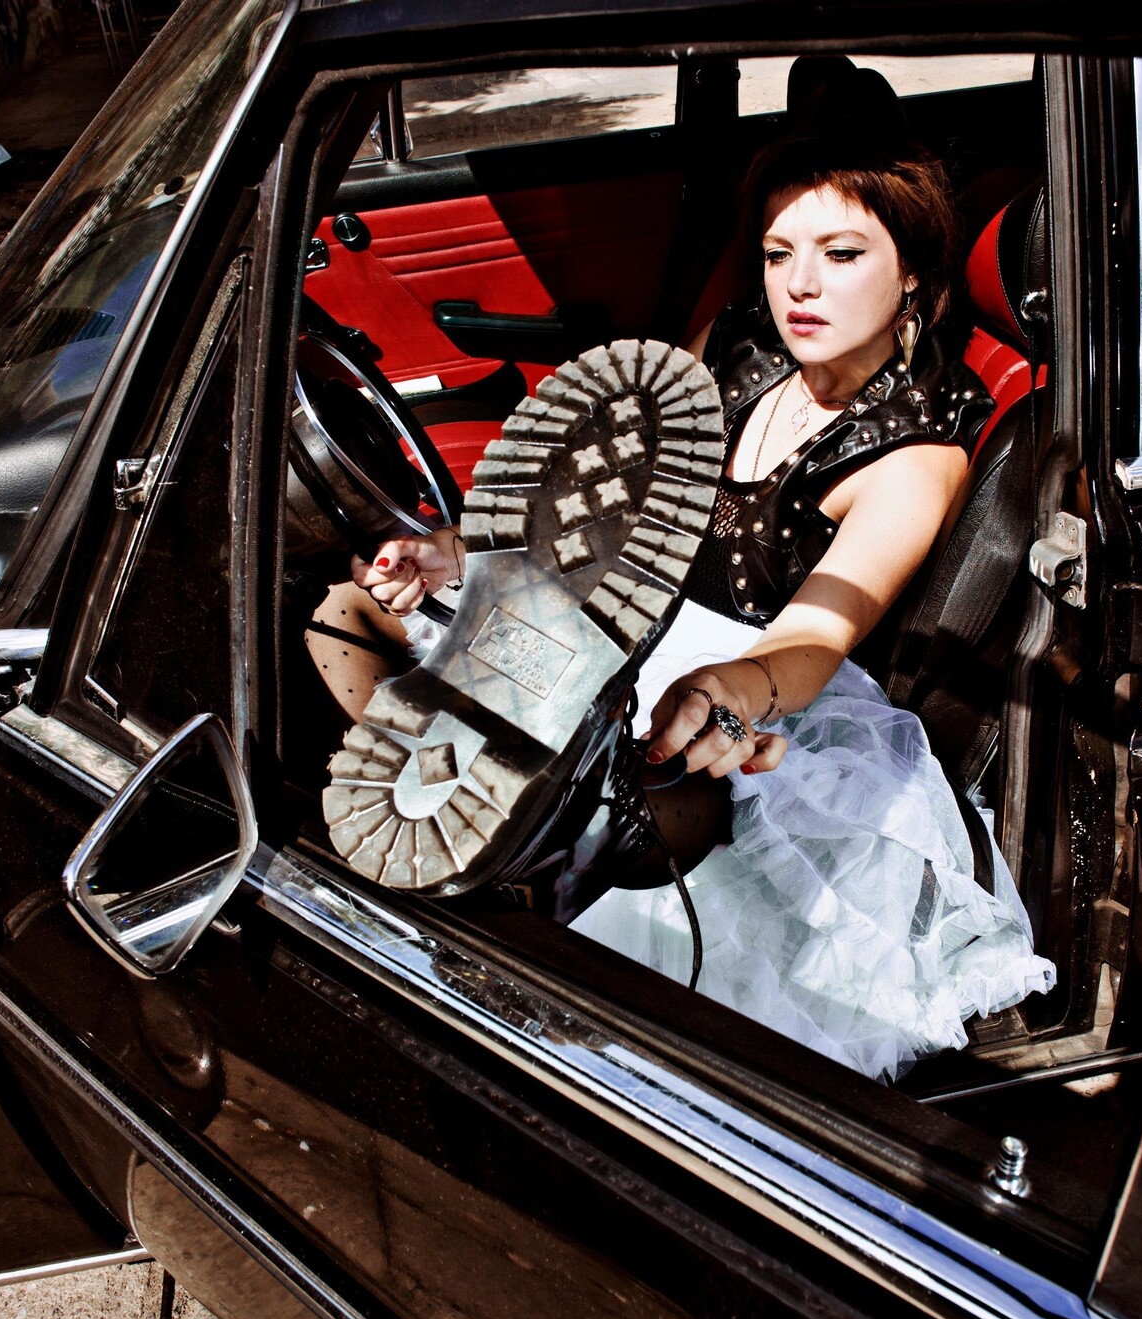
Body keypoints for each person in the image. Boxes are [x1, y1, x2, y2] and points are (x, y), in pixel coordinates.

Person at [321, 124, 1054, 1083]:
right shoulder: (743, 342)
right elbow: (617, 492)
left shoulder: (913, 457)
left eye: (841, 256)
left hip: (758, 697)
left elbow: (816, 634)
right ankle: (414, 863)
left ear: (911, 272)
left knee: (605, 795)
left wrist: (731, 689)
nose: (800, 286)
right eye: (779, 254)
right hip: (627, 608)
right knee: (345, 609)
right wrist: (456, 552)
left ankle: (494, 948)